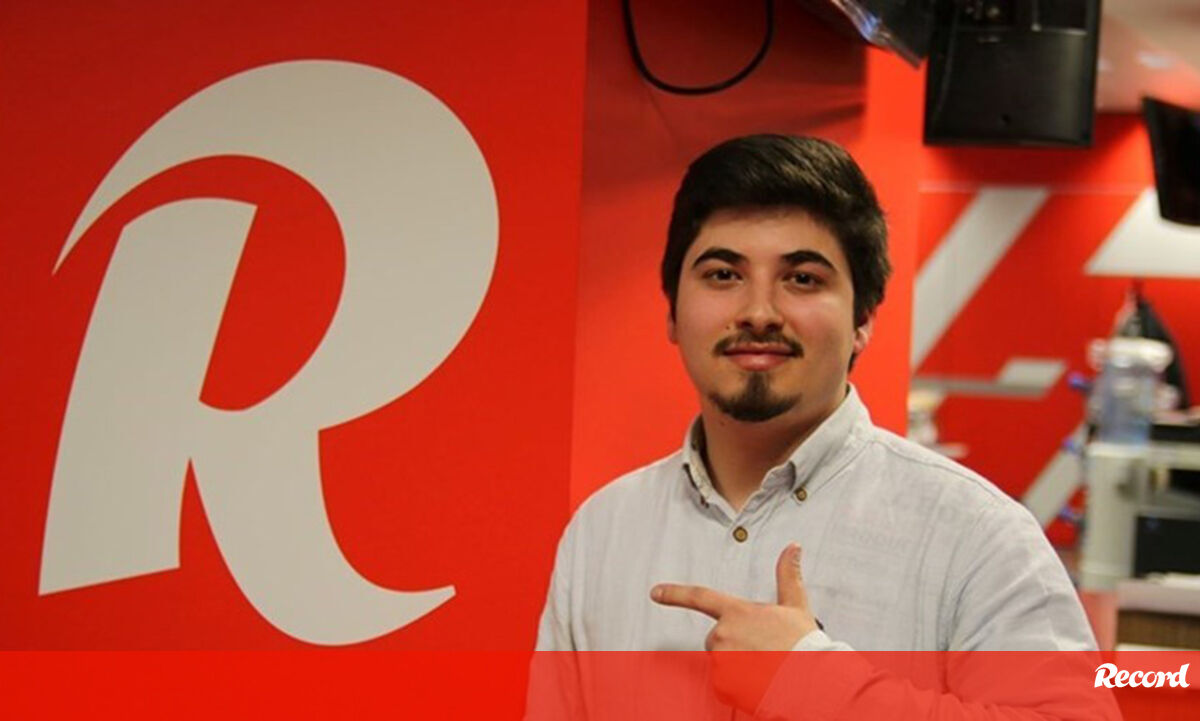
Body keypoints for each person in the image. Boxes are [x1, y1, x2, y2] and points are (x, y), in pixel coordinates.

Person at [531, 135, 1106, 717]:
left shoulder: (975, 533)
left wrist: (815, 685)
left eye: (802, 278)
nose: (758, 312)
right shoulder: (604, 531)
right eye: (723, 274)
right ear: (673, 313)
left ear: (862, 320)